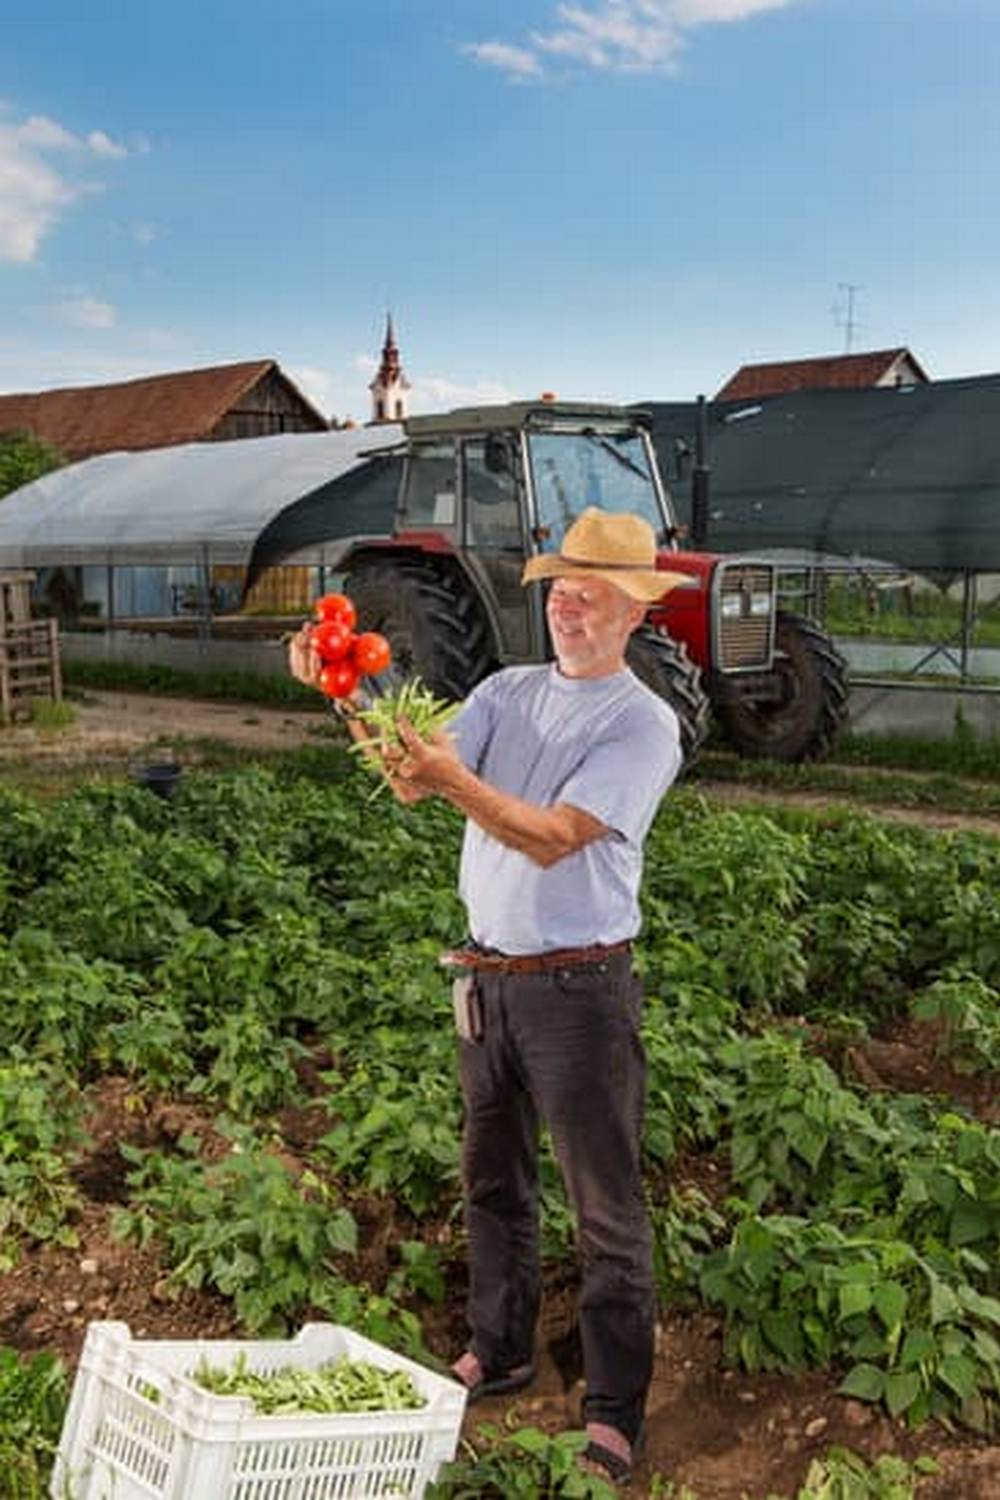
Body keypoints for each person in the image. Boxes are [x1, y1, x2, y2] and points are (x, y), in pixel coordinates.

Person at [289, 508, 689, 1487]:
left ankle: (610, 1410)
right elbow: (409, 773)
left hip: (579, 990)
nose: (569, 605)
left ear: (633, 608)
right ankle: (499, 1348)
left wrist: (447, 778)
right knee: (493, 1180)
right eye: (560, 587)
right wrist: (343, 687)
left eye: (591, 592)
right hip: (488, 980)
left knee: (605, 1209)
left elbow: (553, 835)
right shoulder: (506, 692)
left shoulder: (642, 724)